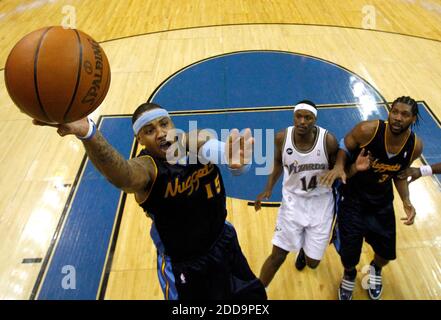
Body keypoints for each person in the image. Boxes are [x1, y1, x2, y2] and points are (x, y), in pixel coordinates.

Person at [33, 102, 267, 301]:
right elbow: (123, 175)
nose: (161, 133)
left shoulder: (195, 141)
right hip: (185, 266)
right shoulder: (148, 169)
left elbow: (213, 148)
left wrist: (232, 158)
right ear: (140, 140)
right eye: (149, 130)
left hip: (223, 242)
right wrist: (89, 134)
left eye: (164, 124)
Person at [321, 96, 423, 300]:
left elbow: (400, 175)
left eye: (404, 115)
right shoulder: (368, 130)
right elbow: (344, 146)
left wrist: (406, 201)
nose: (397, 118)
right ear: (389, 112)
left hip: (381, 201)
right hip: (353, 198)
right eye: (395, 112)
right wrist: (340, 166)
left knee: (386, 253)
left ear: (413, 119)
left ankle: (375, 268)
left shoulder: (414, 146)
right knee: (350, 253)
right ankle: (349, 274)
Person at [254, 100, 342, 288]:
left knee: (312, 263)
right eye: (299, 116)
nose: (302, 121)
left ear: (315, 120)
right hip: (293, 203)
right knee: (278, 255)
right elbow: (278, 161)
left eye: (308, 118)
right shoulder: (281, 138)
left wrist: (337, 171)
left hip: (321, 204)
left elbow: (340, 167)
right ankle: (257, 294)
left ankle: (303, 249)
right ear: (294, 117)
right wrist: (268, 187)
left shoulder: (328, 141)